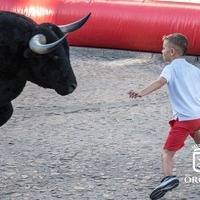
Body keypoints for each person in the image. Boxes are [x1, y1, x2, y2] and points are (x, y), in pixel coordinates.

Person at [128, 33, 200, 200]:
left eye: (164, 48)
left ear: (172, 52)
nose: (162, 51)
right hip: (198, 116)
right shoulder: (195, 69)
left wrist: (141, 92)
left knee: (167, 153)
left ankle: (168, 178)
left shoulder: (170, 68)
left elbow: (160, 82)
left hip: (185, 119)